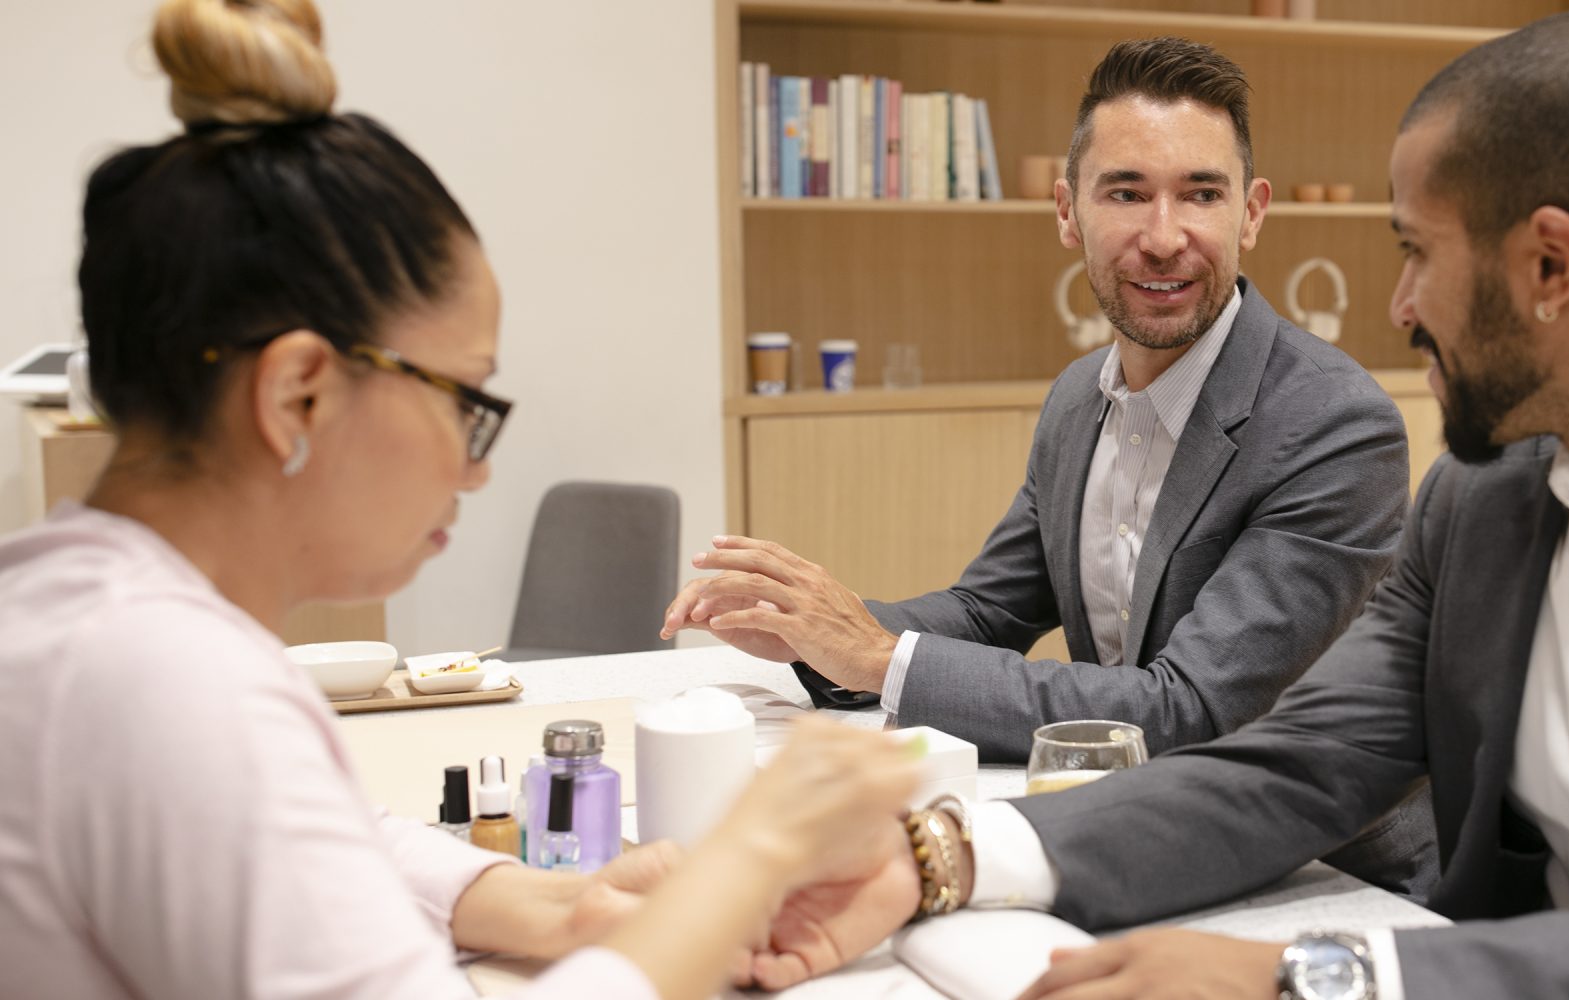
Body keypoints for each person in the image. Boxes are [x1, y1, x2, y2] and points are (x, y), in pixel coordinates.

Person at [742, 11, 1569, 998]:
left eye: (1412, 250)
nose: (1396, 308)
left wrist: (1322, 976)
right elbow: (1293, 765)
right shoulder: (1484, 501)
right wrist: (938, 859)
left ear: (1547, 266)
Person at [0, 2, 921, 997]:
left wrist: (555, 905)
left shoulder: (83, 620)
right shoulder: (170, 691)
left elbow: (331, 835)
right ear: (296, 392)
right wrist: (754, 856)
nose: (476, 469)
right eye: (465, 402)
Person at [662, 37, 1410, 761]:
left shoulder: (1335, 426)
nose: (1162, 236)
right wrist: (814, 631)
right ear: (1066, 211)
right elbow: (990, 613)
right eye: (1126, 192)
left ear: (1250, 213)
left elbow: (1188, 710)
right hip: (1122, 811)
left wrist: (879, 656)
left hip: (1323, 863)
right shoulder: (1078, 399)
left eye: (1201, 194)